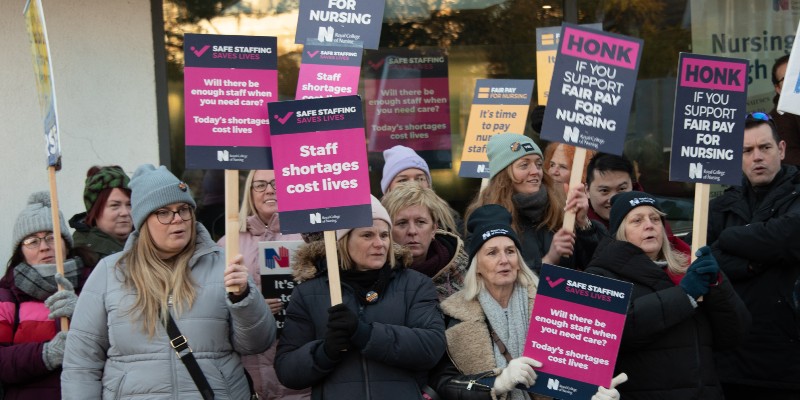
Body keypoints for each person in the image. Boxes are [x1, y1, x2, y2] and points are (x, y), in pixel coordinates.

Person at [61, 164, 275, 399]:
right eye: (164, 212)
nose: (178, 219)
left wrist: (243, 299)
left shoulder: (225, 263)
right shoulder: (110, 272)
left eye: (184, 209)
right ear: (143, 221)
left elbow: (257, 343)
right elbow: (81, 364)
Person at [429, 204, 624, 400]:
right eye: (492, 253)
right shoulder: (452, 315)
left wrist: (594, 395)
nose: (504, 260)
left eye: (510, 251)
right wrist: (497, 383)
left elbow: (576, 379)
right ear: (477, 266)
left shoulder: (554, 305)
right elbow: (444, 384)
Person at [275, 195, 446, 398]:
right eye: (367, 235)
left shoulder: (415, 285)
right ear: (344, 240)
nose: (379, 244)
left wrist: (365, 334)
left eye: (384, 235)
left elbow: (431, 347)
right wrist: (324, 352)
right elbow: (287, 371)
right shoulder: (308, 293)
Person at [584, 191, 750, 399]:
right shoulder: (601, 275)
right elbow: (615, 332)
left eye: (655, 218)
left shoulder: (689, 268)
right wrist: (684, 296)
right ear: (620, 232)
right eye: (637, 220)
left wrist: (717, 284)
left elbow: (735, 334)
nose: (649, 225)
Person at [706, 112, 800, 399]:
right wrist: (752, 261)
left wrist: (730, 237)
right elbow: (707, 259)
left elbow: (787, 239)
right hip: (732, 360)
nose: (757, 156)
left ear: (781, 150)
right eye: (747, 150)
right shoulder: (720, 206)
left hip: (788, 358)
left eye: (765, 147)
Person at [218, 169, 307, 400]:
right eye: (260, 185)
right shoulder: (227, 244)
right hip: (248, 377)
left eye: (276, 183)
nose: (269, 190)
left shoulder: (309, 237)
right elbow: (216, 307)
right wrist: (252, 308)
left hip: (299, 377)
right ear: (249, 192)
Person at [0, 191, 97, 399]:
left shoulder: (95, 283)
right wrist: (46, 355)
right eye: (32, 241)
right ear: (20, 251)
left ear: (65, 243)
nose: (44, 247)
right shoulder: (7, 295)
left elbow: (120, 344)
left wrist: (82, 313)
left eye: (52, 237)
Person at [465, 133, 604, 273]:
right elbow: (488, 278)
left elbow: (597, 268)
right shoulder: (484, 219)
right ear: (504, 174)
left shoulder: (560, 208)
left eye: (538, 164)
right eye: (524, 165)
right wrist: (548, 260)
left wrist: (583, 224)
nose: (535, 171)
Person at [585, 152, 691, 258]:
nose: (613, 199)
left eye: (622, 189)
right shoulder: (576, 224)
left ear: (633, 185)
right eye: (604, 191)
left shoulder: (651, 214)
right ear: (587, 190)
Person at [381, 183, 468, 300]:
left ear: (434, 229)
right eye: (402, 223)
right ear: (388, 230)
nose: (412, 231)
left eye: (420, 222)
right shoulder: (377, 275)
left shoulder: (460, 273)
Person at [381, 144, 464, 235]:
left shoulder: (450, 219)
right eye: (403, 180)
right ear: (388, 188)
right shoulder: (377, 220)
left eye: (419, 179)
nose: (413, 184)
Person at [68, 165, 133, 261]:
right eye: (115, 205)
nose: (125, 212)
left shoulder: (148, 243)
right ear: (95, 211)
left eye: (129, 204)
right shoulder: (80, 255)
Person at [769, 54, 800, 166]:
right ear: (778, 89)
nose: (797, 81)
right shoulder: (780, 118)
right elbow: (790, 157)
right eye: (788, 79)